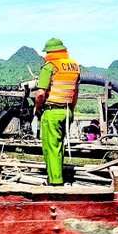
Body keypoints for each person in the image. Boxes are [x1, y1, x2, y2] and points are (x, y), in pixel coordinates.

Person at [34, 38, 80, 185]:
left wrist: (37, 107)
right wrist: (71, 111)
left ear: (51, 52)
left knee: (50, 147)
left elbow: (41, 93)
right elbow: (75, 93)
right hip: (67, 111)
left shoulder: (50, 66)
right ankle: (58, 175)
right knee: (60, 146)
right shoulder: (74, 66)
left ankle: (54, 181)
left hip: (51, 111)